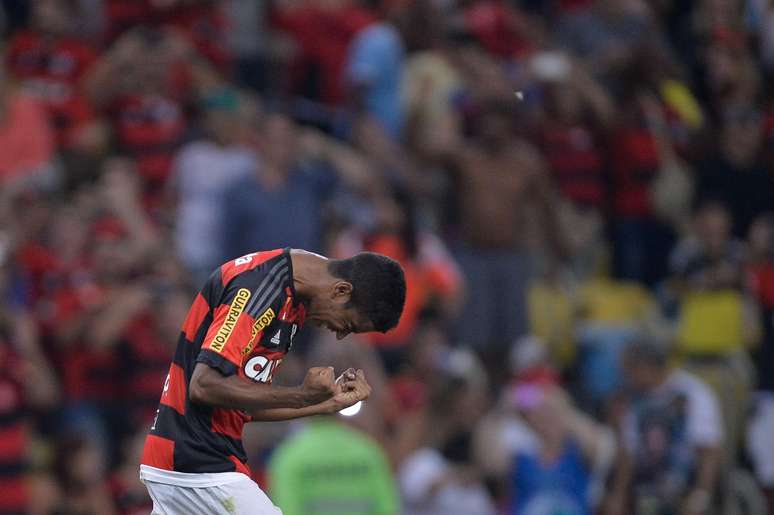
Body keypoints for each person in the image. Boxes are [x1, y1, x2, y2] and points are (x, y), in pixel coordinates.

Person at [140, 248, 406, 514]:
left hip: (188, 462)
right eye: (348, 324)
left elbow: (241, 405)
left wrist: (323, 404)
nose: (339, 334)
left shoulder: (295, 298)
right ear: (341, 291)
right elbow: (204, 385)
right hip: (197, 462)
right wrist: (301, 394)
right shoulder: (261, 288)